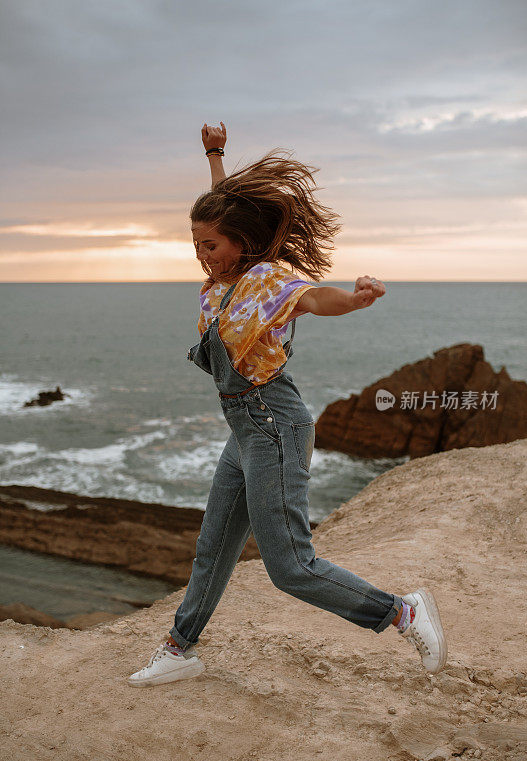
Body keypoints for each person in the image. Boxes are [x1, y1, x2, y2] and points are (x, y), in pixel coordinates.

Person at [128, 122, 447, 687]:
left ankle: (403, 612)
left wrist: (353, 299)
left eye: (211, 245)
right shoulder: (221, 280)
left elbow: (314, 297)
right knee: (214, 546)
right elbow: (230, 207)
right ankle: (180, 649)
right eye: (196, 244)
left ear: (240, 244)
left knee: (292, 568)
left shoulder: (268, 279)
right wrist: (215, 156)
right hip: (245, 429)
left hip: (273, 424)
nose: (202, 255)